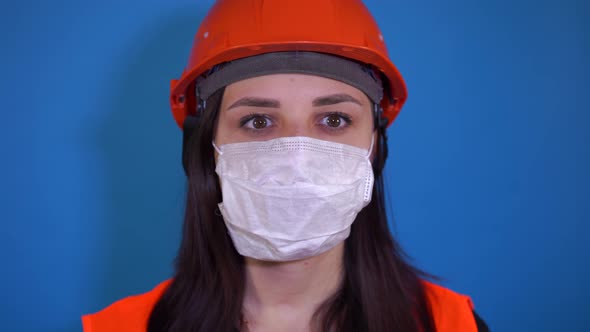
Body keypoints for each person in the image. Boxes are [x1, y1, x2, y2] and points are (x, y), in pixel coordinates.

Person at [82, 0, 490, 331]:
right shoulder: (125, 327)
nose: (297, 156)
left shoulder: (448, 324)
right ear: (205, 148)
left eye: (334, 120)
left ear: (375, 148)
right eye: (257, 121)